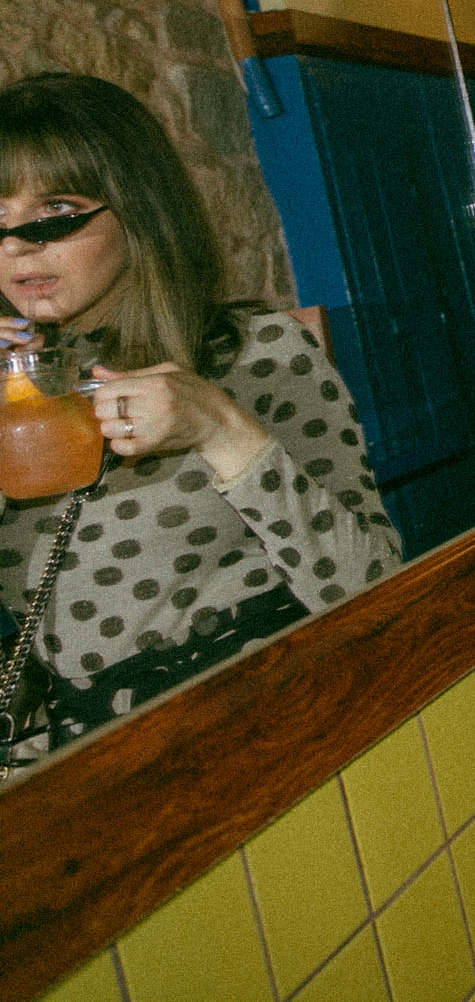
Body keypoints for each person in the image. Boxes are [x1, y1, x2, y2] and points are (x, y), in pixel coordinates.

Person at [0, 73, 400, 748]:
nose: (17, 246)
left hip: (267, 726)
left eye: (55, 211)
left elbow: (377, 585)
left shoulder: (255, 352)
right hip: (93, 760)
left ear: (138, 207)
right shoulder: (17, 394)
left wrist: (223, 429)